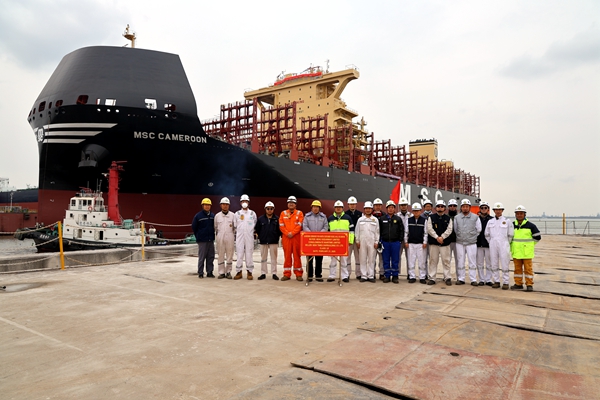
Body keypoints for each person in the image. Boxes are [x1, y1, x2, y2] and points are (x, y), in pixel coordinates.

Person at [510, 205, 541, 292]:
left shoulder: (531, 226)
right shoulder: (512, 225)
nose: (519, 215)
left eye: (521, 213)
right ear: (515, 215)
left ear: (525, 214)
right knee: (517, 269)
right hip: (516, 252)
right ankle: (518, 284)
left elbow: (538, 237)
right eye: (518, 213)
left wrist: (530, 245)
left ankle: (529, 284)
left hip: (527, 253)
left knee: (528, 269)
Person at [485, 203, 514, 290]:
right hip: (493, 243)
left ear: (502, 210)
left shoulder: (507, 221)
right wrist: (491, 242)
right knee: (494, 263)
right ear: (494, 211)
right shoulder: (490, 222)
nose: (498, 211)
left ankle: (506, 282)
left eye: (499, 209)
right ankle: (496, 281)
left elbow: (510, 234)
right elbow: (487, 234)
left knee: (505, 263)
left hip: (503, 243)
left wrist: (506, 242)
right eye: (496, 210)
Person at [454, 199, 482, 285]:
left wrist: (472, 236)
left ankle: (473, 279)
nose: (465, 208)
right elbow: (455, 229)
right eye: (463, 206)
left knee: (472, 261)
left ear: (469, 207)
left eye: (467, 206)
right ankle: (461, 278)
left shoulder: (475, 217)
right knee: (460, 261)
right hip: (460, 242)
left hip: (471, 243)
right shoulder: (456, 218)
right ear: (461, 208)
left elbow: (479, 229)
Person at [426, 200, 453, 285]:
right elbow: (429, 229)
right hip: (434, 243)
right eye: (438, 206)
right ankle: (432, 278)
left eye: (442, 206)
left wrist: (442, 237)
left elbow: (449, 229)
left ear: (444, 208)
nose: (440, 208)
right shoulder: (431, 217)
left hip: (445, 243)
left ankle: (447, 277)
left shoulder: (448, 218)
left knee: (446, 261)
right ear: (435, 208)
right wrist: (437, 237)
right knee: (433, 261)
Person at [327, 200, 354, 283]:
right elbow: (327, 231)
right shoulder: (330, 218)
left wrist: (350, 241)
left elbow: (351, 230)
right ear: (334, 208)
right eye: (337, 207)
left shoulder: (348, 218)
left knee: (344, 260)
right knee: (333, 260)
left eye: (340, 207)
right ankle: (332, 275)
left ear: (342, 208)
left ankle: (344, 276)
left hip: (344, 243)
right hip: (333, 243)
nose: (338, 209)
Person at [302, 200, 328, 282]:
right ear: (311, 207)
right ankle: (309, 275)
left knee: (319, 259)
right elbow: (305, 226)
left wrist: (319, 234)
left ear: (319, 208)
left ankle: (318, 275)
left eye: (317, 207)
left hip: (320, 241)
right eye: (314, 207)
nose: (315, 208)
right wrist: (311, 235)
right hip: (309, 241)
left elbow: (325, 227)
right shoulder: (307, 217)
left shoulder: (323, 217)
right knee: (309, 259)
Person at [279, 195, 304, 281]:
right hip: (286, 238)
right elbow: (281, 225)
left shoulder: (299, 213)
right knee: (287, 256)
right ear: (287, 204)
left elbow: (300, 225)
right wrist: (287, 233)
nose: (291, 204)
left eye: (292, 203)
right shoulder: (283, 213)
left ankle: (298, 274)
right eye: (289, 203)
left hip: (296, 237)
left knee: (297, 256)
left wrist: (292, 233)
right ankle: (287, 274)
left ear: (295, 204)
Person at [379, 200, 404, 283]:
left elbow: (401, 230)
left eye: (392, 207)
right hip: (385, 242)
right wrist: (380, 241)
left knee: (395, 260)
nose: (390, 209)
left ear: (394, 209)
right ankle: (387, 276)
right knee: (385, 260)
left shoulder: (398, 219)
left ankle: (395, 276)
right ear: (386, 209)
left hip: (395, 242)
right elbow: (379, 231)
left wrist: (400, 240)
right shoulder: (382, 219)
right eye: (389, 207)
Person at [256, 201, 282, 280]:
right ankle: (263, 273)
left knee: (274, 258)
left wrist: (276, 237)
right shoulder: (260, 219)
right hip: (263, 241)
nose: (269, 210)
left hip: (273, 241)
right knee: (263, 258)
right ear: (265, 209)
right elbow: (257, 229)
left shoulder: (277, 219)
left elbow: (279, 230)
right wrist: (261, 237)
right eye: (268, 208)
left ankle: (274, 273)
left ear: (273, 209)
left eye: (271, 208)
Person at [233, 194, 257, 280]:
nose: (244, 203)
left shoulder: (252, 214)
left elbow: (255, 224)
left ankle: (249, 272)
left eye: (246, 201)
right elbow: (235, 225)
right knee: (239, 254)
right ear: (240, 203)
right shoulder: (237, 214)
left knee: (249, 254)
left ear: (248, 202)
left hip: (249, 237)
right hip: (240, 237)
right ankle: (239, 272)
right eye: (243, 201)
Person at [355, 201, 379, 283]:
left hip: (372, 242)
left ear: (372, 209)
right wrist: (357, 241)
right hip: (362, 242)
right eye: (366, 208)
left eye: (369, 208)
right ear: (364, 209)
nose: (368, 210)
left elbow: (377, 232)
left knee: (371, 259)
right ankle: (364, 276)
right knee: (362, 259)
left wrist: (376, 242)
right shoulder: (360, 220)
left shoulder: (375, 220)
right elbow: (357, 231)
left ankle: (371, 275)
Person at [191, 198, 215, 279]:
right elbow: (194, 227)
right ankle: (200, 272)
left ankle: (209, 272)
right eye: (205, 205)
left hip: (210, 239)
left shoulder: (212, 216)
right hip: (202, 240)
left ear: (210, 206)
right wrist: (198, 236)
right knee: (202, 257)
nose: (207, 206)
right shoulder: (198, 216)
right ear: (202, 206)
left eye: (208, 205)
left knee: (210, 256)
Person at [406, 203, 428, 284]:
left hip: (420, 244)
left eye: (417, 211)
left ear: (420, 211)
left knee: (422, 261)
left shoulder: (424, 220)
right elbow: (406, 232)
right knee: (411, 261)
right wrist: (406, 241)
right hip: (411, 244)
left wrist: (425, 242)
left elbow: (426, 233)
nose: (416, 212)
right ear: (412, 211)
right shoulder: (408, 220)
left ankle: (422, 277)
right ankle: (412, 276)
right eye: (414, 211)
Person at [214, 197, 235, 279]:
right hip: (220, 235)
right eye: (223, 204)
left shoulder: (233, 215)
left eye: (226, 204)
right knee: (220, 254)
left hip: (230, 235)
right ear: (220, 205)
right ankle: (221, 272)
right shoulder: (217, 216)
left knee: (230, 254)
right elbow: (215, 227)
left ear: (229, 205)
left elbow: (234, 227)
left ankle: (228, 271)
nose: (225, 206)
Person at [476, 202, 493, 286]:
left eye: (485, 208)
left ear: (488, 209)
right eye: (482, 208)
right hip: (478, 244)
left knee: (489, 263)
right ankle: (481, 279)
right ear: (480, 209)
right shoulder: (476, 219)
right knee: (479, 263)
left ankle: (488, 279)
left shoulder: (492, 220)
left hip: (488, 244)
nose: (483, 209)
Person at [346, 196, 362, 279]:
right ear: (348, 205)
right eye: (351, 204)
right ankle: (347, 274)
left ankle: (358, 274)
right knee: (347, 257)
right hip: (349, 238)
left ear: (356, 204)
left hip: (357, 238)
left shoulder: (360, 214)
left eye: (353, 204)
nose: (352, 205)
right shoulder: (345, 214)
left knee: (358, 256)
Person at [396, 198, 411, 279]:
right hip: (399, 239)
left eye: (405, 205)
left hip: (408, 240)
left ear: (407, 206)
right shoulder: (396, 216)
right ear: (399, 206)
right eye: (402, 205)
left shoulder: (411, 215)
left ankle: (410, 274)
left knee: (409, 257)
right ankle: (397, 273)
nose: (403, 206)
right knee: (397, 256)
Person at [372, 198, 385, 280]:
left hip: (382, 240)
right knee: (372, 258)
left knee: (382, 258)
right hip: (372, 240)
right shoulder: (370, 216)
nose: (377, 207)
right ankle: (372, 273)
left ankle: (382, 274)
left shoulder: (385, 216)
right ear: (373, 206)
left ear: (381, 206)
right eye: (376, 205)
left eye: (379, 205)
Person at [447, 199, 459, 275]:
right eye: (451, 206)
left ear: (456, 207)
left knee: (458, 260)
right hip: (448, 241)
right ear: (448, 207)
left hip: (457, 242)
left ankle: (459, 277)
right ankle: (447, 276)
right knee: (447, 260)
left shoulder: (460, 217)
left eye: (454, 206)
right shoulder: (446, 217)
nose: (452, 207)